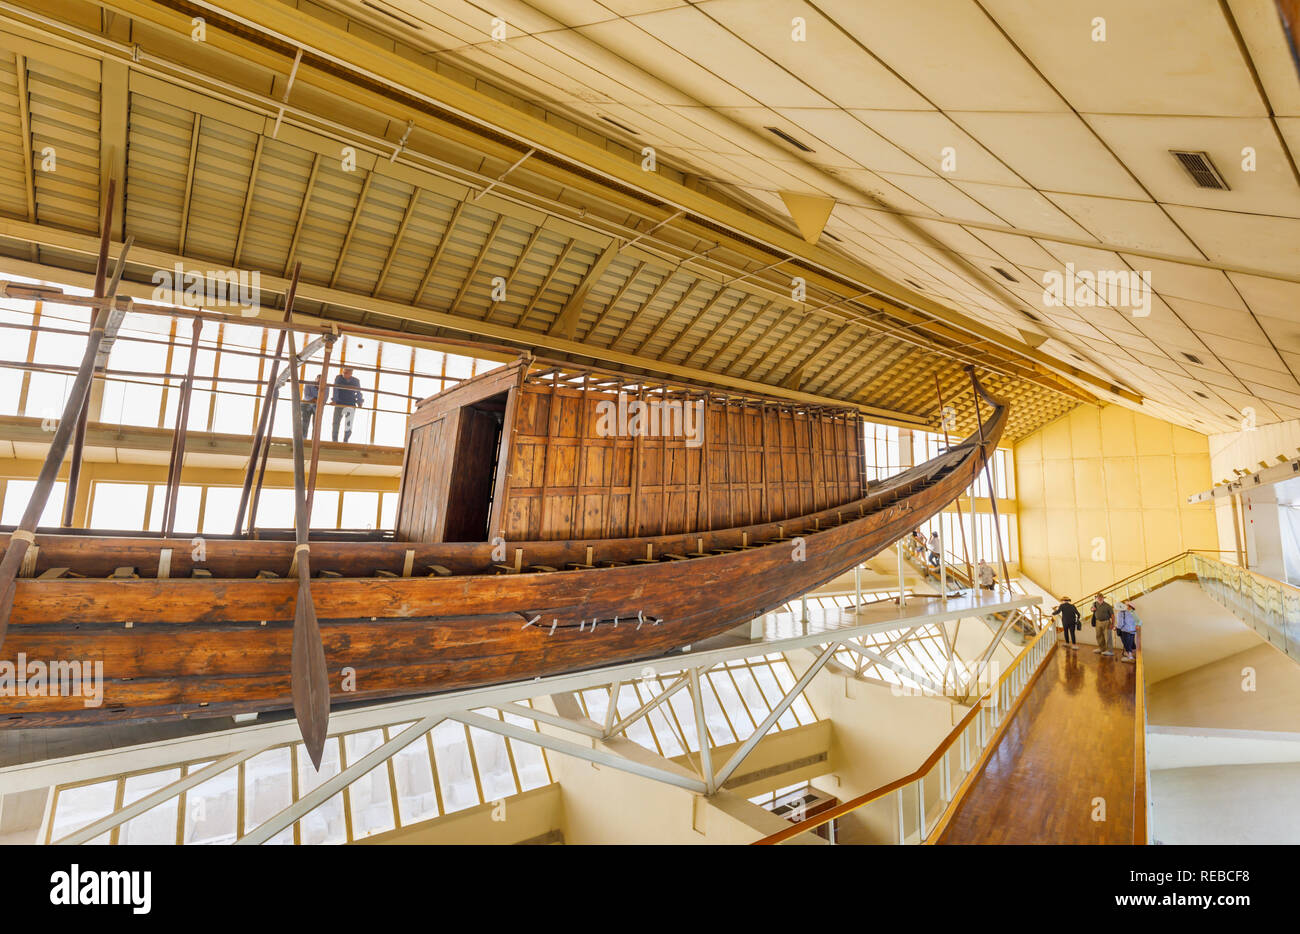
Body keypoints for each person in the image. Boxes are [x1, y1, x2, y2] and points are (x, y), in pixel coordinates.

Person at [331, 366, 364, 443]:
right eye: (343, 372)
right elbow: (335, 389)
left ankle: (346, 440)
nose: (344, 374)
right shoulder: (338, 378)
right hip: (339, 403)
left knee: (348, 423)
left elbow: (359, 392)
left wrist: (359, 401)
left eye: (346, 373)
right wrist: (334, 400)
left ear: (351, 373)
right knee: (336, 422)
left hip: (351, 403)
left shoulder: (356, 381)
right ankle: (334, 440)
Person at [299, 374, 320, 440]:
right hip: (306, 404)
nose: (319, 383)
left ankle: (314, 440)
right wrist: (315, 399)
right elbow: (306, 396)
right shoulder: (308, 384)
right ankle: (303, 439)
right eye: (318, 381)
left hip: (317, 405)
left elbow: (324, 398)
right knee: (305, 422)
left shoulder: (326, 386)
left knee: (316, 424)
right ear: (315, 379)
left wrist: (316, 400)